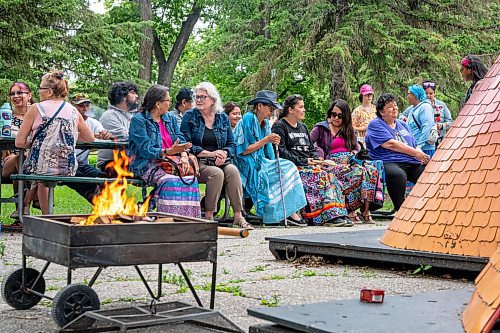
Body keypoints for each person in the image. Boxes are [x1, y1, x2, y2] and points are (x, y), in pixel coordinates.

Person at [15, 70, 95, 214]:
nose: (39, 92)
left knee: (40, 174)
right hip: (67, 166)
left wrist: (35, 143)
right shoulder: (73, 111)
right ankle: (32, 210)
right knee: (42, 175)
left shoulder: (36, 108)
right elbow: (89, 138)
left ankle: (45, 216)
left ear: (49, 92)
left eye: (41, 89)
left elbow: (19, 142)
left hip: (41, 167)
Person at [272, 94, 351, 227]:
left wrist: (317, 160)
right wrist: (305, 161)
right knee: (321, 176)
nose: (304, 110)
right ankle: (322, 216)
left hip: (308, 165)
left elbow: (310, 149)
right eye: (301, 107)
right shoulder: (280, 126)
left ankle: (337, 213)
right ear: (290, 110)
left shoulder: (303, 127)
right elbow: (281, 152)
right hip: (292, 168)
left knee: (331, 175)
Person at [181, 82, 251, 229]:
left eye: (202, 97)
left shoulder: (222, 118)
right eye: (197, 97)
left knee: (232, 170)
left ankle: (238, 215)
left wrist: (224, 153)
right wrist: (210, 153)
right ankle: (209, 216)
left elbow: (232, 144)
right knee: (216, 173)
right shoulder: (190, 116)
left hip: (221, 160)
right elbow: (185, 143)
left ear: (212, 99)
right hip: (198, 161)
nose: (198, 100)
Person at [233, 90, 307, 226]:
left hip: (261, 161)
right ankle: (276, 212)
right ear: (259, 106)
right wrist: (267, 139)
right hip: (244, 162)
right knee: (269, 171)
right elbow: (243, 150)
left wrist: (275, 160)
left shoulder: (266, 124)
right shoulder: (249, 118)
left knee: (286, 167)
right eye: (270, 107)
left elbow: (269, 152)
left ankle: (285, 211)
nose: (272, 111)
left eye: (273, 108)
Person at [129, 85, 201, 217]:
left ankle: (188, 220)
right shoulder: (139, 120)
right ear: (158, 104)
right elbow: (145, 150)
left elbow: (180, 139)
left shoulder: (170, 118)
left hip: (172, 161)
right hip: (146, 164)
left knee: (191, 180)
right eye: (168, 100)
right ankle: (167, 220)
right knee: (169, 181)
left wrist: (184, 156)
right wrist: (167, 151)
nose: (170, 102)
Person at [310, 99, 383, 223]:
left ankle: (365, 210)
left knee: (371, 170)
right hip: (331, 162)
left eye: (340, 115)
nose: (336, 118)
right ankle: (350, 210)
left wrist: (353, 154)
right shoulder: (321, 128)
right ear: (329, 114)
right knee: (353, 173)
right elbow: (308, 143)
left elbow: (356, 147)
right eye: (333, 114)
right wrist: (319, 154)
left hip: (349, 161)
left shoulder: (348, 130)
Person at [365, 93, 429, 212]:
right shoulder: (376, 124)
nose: (394, 108)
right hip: (388, 161)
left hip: (411, 161)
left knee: (429, 172)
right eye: (390, 106)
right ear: (381, 112)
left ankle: (425, 206)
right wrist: (416, 153)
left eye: (395, 105)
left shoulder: (402, 124)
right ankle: (401, 209)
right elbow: (391, 144)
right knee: (397, 174)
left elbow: (414, 144)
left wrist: (422, 156)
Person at [64, 93, 113, 202]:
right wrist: (90, 136)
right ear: (73, 107)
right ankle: (100, 204)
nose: (85, 109)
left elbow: (101, 134)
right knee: (84, 182)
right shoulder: (66, 121)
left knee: (104, 178)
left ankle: (109, 205)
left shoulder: (93, 122)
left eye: (87, 105)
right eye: (81, 106)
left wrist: (105, 134)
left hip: (82, 164)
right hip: (66, 165)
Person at [2, 82, 36, 226]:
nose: (15, 96)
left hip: (33, 161)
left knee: (21, 169)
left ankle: (20, 215)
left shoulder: (37, 115)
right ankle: (28, 205)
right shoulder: (6, 117)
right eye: (12, 94)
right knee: (18, 160)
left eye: (19, 93)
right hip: (7, 161)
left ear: (29, 95)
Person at [97, 82, 139, 172]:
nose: (136, 96)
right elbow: (127, 137)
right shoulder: (109, 115)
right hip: (111, 163)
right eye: (133, 92)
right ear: (123, 96)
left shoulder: (132, 116)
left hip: (129, 162)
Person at [400, 84, 436, 157]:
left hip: (425, 149)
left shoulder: (425, 107)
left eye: (409, 94)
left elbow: (427, 127)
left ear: (415, 95)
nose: (407, 97)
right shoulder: (413, 109)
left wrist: (419, 146)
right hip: (415, 148)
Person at [422, 81, 453, 146]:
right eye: (426, 93)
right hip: (426, 143)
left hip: (440, 142)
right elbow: (402, 116)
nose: (428, 96)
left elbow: (451, 123)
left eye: (431, 93)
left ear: (434, 93)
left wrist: (442, 126)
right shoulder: (419, 106)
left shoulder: (442, 105)